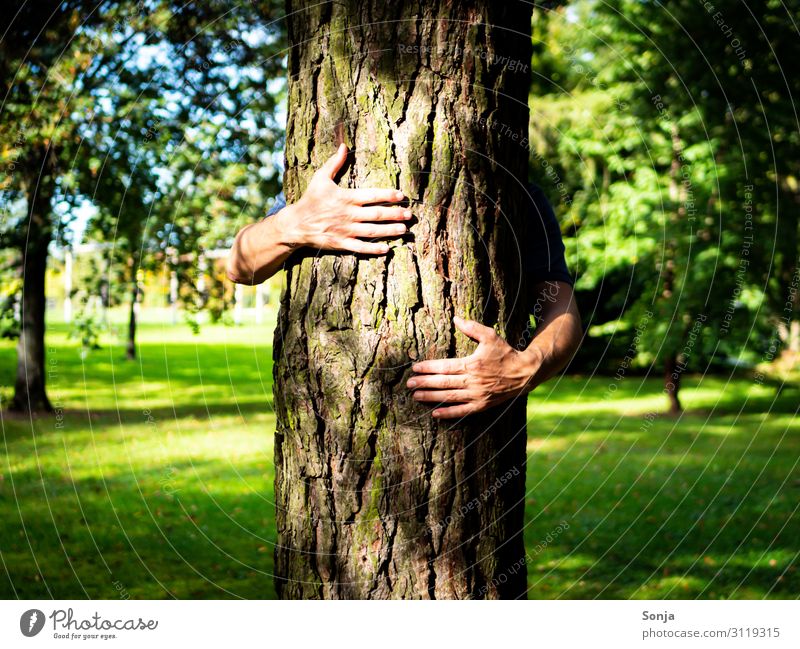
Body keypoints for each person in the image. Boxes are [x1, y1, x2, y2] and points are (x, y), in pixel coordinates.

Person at [227, 143, 582, 419]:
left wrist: (526, 369)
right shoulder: (319, 187)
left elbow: (560, 305)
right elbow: (241, 266)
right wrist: (292, 225)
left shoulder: (518, 196)